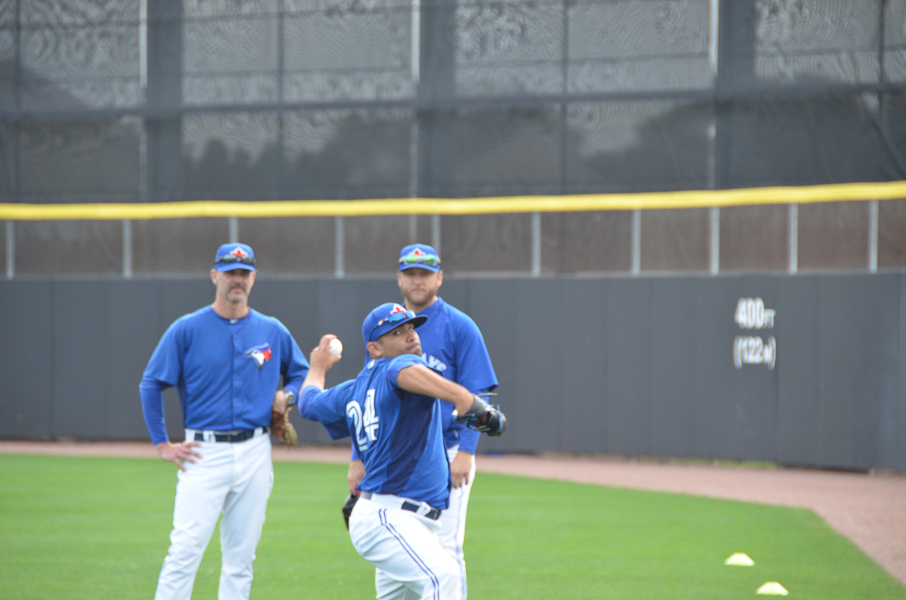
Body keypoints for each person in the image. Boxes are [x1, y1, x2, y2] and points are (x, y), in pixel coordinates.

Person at [298, 302, 506, 600]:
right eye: (397, 332)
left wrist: (318, 367)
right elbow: (402, 371)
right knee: (444, 578)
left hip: (403, 522)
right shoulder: (397, 365)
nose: (411, 336)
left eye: (411, 327)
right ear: (375, 348)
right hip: (390, 517)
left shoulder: (351, 390)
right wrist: (465, 399)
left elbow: (308, 402)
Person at [139, 242, 310, 600]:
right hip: (203, 451)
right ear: (215, 275)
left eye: (244, 273)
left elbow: (301, 375)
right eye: (230, 272)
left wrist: (287, 396)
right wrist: (161, 443)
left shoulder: (271, 329)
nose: (237, 279)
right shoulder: (187, 329)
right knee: (184, 551)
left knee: (241, 560)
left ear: (253, 280)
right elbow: (151, 384)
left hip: (255, 450)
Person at [347, 243, 498, 599]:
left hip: (446, 452)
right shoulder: (385, 330)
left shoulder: (459, 325)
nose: (418, 280)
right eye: (411, 273)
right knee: (398, 549)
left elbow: (478, 390)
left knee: (446, 549)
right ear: (400, 279)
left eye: (425, 273)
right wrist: (358, 458)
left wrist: (467, 452)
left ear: (439, 278)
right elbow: (367, 397)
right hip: (394, 457)